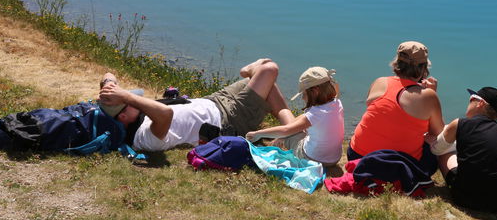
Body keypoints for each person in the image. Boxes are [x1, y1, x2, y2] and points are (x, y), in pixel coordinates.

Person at [97, 58, 294, 152]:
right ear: (122, 117)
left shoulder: (132, 114)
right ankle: (293, 133)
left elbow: (108, 74)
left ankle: (292, 132)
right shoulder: (143, 137)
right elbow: (165, 113)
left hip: (214, 100)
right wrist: (127, 97)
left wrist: (109, 86)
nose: (135, 99)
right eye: (129, 101)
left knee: (266, 80)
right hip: (229, 119)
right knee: (268, 69)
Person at [347, 41, 444, 174]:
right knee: (438, 142)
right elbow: (438, 132)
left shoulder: (379, 82)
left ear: (397, 62)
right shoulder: (428, 96)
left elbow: (385, 112)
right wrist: (432, 94)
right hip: (400, 166)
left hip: (357, 156)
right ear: (423, 68)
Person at [245, 66, 344, 166]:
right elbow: (335, 88)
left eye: (304, 94)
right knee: (302, 121)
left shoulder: (315, 114)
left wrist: (258, 133)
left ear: (315, 91)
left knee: (289, 128)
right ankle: (281, 137)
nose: (302, 98)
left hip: (312, 159)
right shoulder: (337, 102)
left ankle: (278, 141)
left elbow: (286, 130)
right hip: (334, 159)